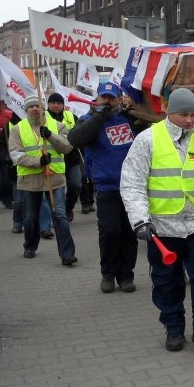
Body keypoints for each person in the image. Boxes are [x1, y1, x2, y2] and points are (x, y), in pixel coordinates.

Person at [120, 88, 194, 355]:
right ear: (170, 112)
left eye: (193, 114)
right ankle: (173, 328)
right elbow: (132, 183)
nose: (189, 120)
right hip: (162, 226)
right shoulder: (148, 139)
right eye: (183, 114)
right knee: (168, 280)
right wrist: (140, 220)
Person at [68, 82, 140, 294]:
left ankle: (126, 275)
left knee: (129, 234)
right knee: (109, 231)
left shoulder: (130, 119)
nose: (108, 101)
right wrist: (100, 117)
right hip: (107, 187)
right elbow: (75, 139)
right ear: (98, 99)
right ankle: (108, 274)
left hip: (132, 188)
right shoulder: (88, 120)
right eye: (104, 97)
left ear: (119, 99)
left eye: (112, 97)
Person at [8, 95, 78, 265]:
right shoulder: (18, 129)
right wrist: (37, 161)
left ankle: (67, 254)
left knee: (60, 215)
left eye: (37, 106)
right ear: (25, 110)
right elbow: (15, 155)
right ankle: (30, 245)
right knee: (31, 217)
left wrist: (51, 136)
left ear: (43, 108)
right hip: (29, 180)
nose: (34, 109)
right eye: (31, 107)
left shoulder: (56, 125)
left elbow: (68, 147)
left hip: (54, 179)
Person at [46, 93, 83, 220]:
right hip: (52, 161)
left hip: (71, 159)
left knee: (76, 185)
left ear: (63, 105)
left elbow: (80, 134)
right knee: (55, 190)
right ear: (48, 104)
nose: (56, 106)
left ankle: (68, 208)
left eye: (59, 103)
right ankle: (56, 214)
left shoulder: (72, 117)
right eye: (53, 103)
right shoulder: (42, 118)